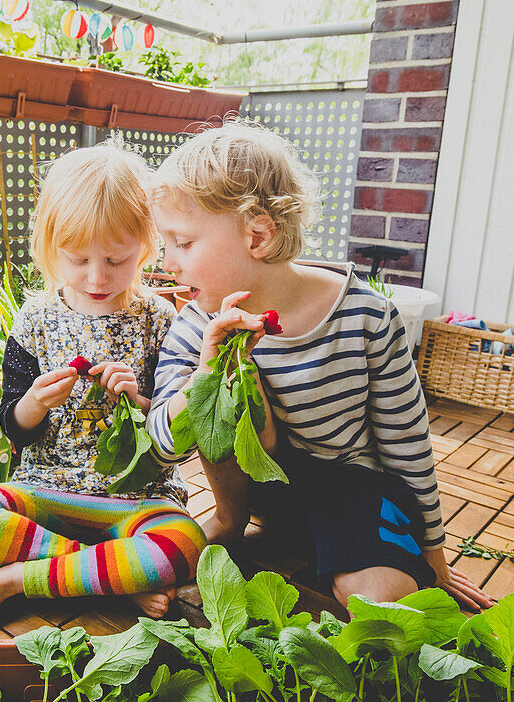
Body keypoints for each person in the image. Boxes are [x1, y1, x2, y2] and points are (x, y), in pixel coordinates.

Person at [145, 120, 494, 611]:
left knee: (378, 601)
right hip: (253, 493)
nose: (168, 263)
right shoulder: (197, 324)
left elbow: (406, 440)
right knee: (218, 413)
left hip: (346, 486)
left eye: (182, 243)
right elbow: (163, 445)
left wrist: (432, 553)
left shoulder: (367, 316)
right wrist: (208, 373)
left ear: (258, 236)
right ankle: (228, 520)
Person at [0, 140, 206, 638]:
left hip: (134, 496)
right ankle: (108, 576)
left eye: (117, 260)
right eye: (78, 259)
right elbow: (12, 422)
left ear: (145, 246)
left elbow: (174, 433)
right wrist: (34, 401)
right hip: (45, 493)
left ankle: (14, 579)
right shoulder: (35, 319)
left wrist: (141, 403)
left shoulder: (161, 320)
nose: (97, 277)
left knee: (184, 543)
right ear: (50, 248)